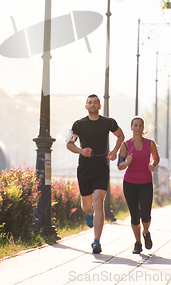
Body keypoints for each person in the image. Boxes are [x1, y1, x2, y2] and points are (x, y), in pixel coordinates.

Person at [66, 94, 124, 254]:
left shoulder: (108, 122)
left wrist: (114, 151)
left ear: (99, 106)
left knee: (99, 201)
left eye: (95, 103)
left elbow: (121, 135)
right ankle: (88, 212)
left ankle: (96, 241)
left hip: (101, 168)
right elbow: (69, 144)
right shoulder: (79, 124)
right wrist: (81, 151)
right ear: (86, 106)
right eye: (89, 103)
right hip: (84, 168)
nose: (92, 105)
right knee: (87, 204)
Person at [117, 116, 160, 254]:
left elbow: (156, 158)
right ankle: (137, 243)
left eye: (140, 125)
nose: (138, 128)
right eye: (135, 125)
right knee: (134, 215)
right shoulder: (125, 145)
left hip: (146, 183)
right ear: (131, 128)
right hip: (129, 183)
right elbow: (119, 166)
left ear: (143, 128)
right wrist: (127, 162)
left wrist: (153, 165)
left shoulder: (150, 143)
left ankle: (146, 232)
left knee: (145, 214)